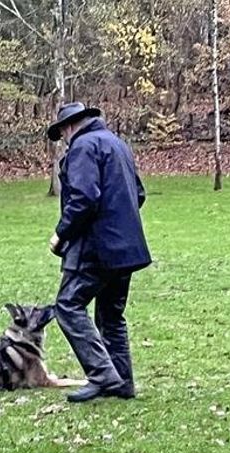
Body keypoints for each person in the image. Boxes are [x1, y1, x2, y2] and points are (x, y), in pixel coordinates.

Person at [46, 102, 151, 403]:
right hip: (127, 248)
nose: (64, 138)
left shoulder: (83, 147)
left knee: (67, 306)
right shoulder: (118, 145)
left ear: (69, 127)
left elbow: (83, 198)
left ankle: (103, 375)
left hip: (95, 248)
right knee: (111, 315)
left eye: (62, 132)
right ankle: (123, 382)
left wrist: (60, 234)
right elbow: (139, 194)